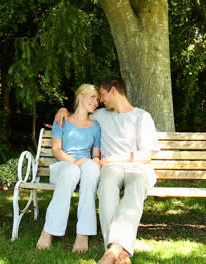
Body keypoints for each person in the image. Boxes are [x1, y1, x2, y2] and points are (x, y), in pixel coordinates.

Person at [55, 76, 159, 264]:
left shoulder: (142, 117)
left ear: (113, 90)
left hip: (137, 167)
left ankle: (113, 250)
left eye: (102, 95)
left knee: (136, 185)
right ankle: (116, 251)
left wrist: (118, 158)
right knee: (106, 185)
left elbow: (147, 155)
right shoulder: (101, 115)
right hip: (110, 168)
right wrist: (63, 109)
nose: (100, 101)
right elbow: (79, 115)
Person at [36, 84, 102, 253]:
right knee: (72, 170)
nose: (96, 102)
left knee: (91, 167)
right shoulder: (62, 120)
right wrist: (75, 161)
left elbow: (95, 154)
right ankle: (49, 230)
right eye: (92, 97)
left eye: (98, 99)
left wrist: (92, 162)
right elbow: (57, 150)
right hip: (63, 167)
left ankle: (83, 234)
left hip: (85, 167)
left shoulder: (95, 126)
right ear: (80, 96)